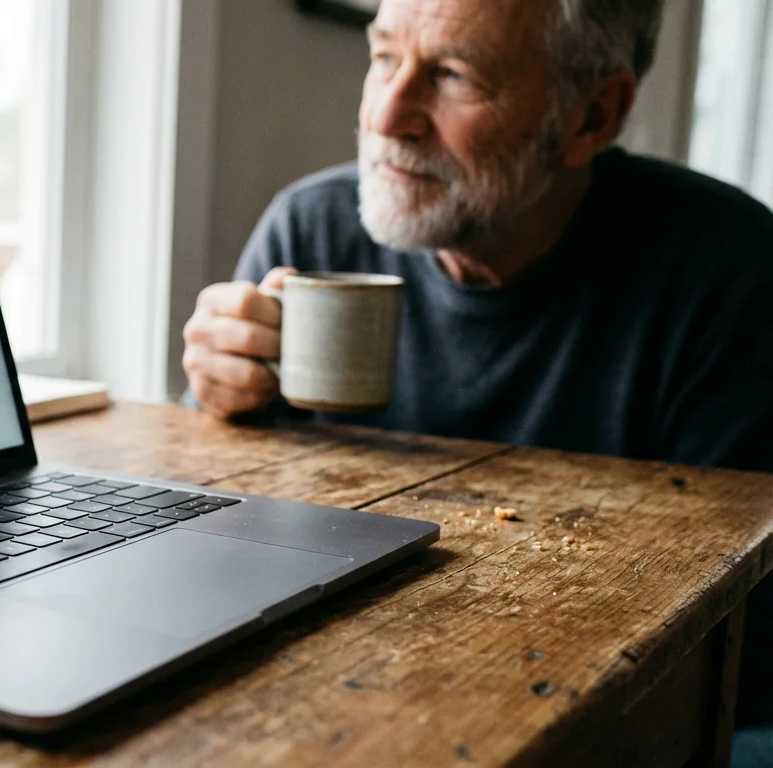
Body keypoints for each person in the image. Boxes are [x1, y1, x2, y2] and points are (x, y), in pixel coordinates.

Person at [180, 0, 773, 759]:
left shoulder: (727, 276)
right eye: (385, 57)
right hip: (336, 696)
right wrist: (220, 392)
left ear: (592, 115)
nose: (389, 116)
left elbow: (728, 643)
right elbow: (222, 529)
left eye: (455, 75)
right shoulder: (309, 231)